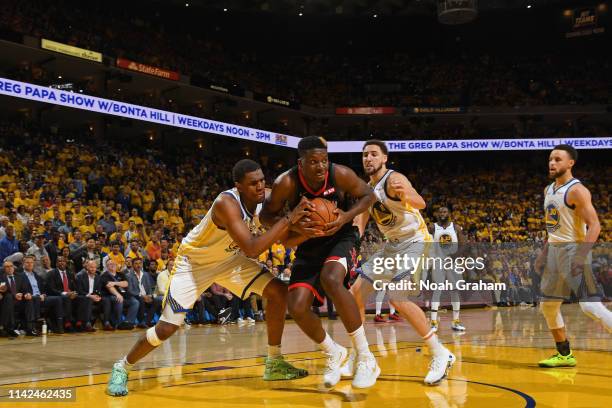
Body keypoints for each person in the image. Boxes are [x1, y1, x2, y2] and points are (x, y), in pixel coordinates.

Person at [106, 159, 311, 397]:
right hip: (194, 265)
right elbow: (253, 249)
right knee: (166, 328)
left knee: (278, 291)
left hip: (229, 261)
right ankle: (122, 366)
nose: (259, 187)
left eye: (262, 181)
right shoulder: (226, 203)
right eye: (253, 183)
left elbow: (285, 202)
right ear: (239, 186)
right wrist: (289, 219)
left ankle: (274, 361)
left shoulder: (262, 198)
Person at [260, 136, 379, 389]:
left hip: (342, 237)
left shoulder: (341, 174)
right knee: (297, 306)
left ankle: (366, 357)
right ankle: (333, 352)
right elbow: (265, 216)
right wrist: (291, 221)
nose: (321, 166)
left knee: (332, 278)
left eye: (324, 160)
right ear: (300, 163)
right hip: (308, 243)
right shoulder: (286, 183)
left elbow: (369, 196)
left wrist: (346, 216)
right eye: (314, 162)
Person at [346, 140, 455, 386]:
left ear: (384, 158)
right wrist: (351, 246)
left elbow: (420, 202)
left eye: (373, 154)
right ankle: (361, 353)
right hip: (391, 246)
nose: (368, 159)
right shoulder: (366, 189)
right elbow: (360, 223)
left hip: (416, 242)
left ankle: (440, 353)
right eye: (364, 155)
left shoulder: (395, 179)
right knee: (355, 294)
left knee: (397, 296)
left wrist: (406, 194)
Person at [535, 144, 612, 368]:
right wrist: (543, 254)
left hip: (572, 252)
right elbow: (554, 229)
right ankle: (564, 355)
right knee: (548, 307)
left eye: (558, 159)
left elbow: (595, 226)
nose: (552, 163)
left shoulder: (577, 190)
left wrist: (580, 256)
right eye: (550, 159)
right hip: (555, 253)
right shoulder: (548, 190)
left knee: (590, 307)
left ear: (571, 163)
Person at [428, 206, 467, 332]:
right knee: (437, 290)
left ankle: (456, 321)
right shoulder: (432, 227)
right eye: (440, 212)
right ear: (437, 215)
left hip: (452, 263)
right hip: (438, 262)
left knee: (455, 290)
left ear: (449, 213)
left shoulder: (455, 227)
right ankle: (433, 322)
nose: (442, 214)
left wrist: (455, 256)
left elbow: (463, 244)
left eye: (445, 211)